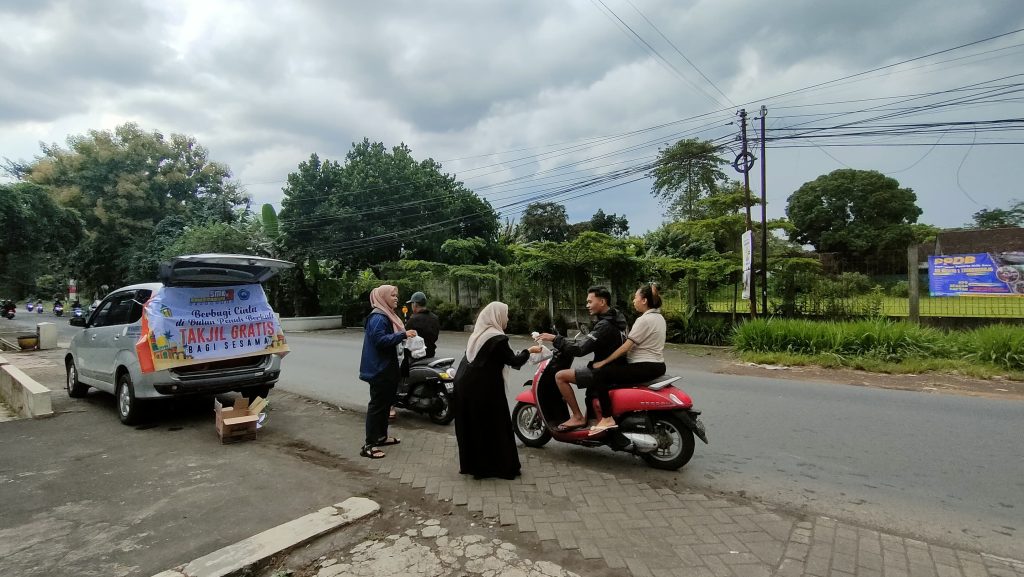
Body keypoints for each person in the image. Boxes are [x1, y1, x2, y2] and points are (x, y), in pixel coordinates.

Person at [453, 301, 543, 480]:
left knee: (476, 425)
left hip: (465, 385)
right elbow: (513, 361)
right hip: (484, 389)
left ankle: (477, 466)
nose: (507, 318)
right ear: (497, 316)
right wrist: (529, 350)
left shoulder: (479, 335)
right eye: (506, 314)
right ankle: (499, 467)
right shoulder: (497, 338)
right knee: (495, 424)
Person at [535, 286, 627, 431]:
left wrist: (555, 338)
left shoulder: (605, 325)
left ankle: (577, 417)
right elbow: (588, 342)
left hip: (603, 370)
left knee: (560, 376)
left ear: (602, 301)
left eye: (590, 302)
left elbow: (580, 349)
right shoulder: (617, 319)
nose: (587, 305)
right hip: (616, 367)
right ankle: (590, 417)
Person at [589, 283, 667, 435]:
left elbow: (626, 347)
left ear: (644, 300)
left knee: (601, 373)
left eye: (636, 298)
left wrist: (603, 362)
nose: (633, 301)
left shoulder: (644, 320)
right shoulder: (659, 318)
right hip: (658, 365)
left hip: (644, 366)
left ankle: (607, 417)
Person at [358, 285, 417, 459]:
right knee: (377, 406)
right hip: (378, 369)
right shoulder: (378, 317)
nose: (396, 298)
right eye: (392, 295)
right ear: (383, 297)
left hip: (386, 368)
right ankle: (369, 445)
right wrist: (403, 335)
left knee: (385, 405)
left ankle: (381, 437)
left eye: (396, 295)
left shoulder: (387, 315)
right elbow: (379, 340)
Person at [404, 291, 440, 359]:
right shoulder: (435, 318)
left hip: (415, 356)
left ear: (415, 304)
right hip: (431, 353)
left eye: (412, 304)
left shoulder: (413, 319)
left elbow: (404, 336)